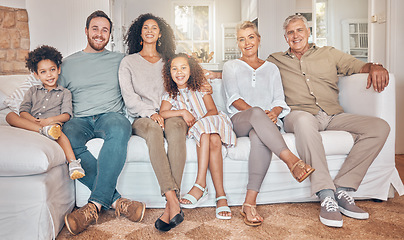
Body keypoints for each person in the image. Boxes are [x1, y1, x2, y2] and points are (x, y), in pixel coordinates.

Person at [267, 14, 390, 228]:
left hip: (332, 114)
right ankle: (325, 194)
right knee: (305, 121)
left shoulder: (329, 53)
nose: (295, 36)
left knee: (379, 127)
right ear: (285, 38)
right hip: (298, 114)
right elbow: (252, 72)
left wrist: (375, 66)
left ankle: (343, 188)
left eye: (300, 30)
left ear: (309, 33)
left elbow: (358, 66)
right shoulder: (275, 60)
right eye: (290, 32)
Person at [118, 13, 214, 232]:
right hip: (142, 117)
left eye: (154, 28)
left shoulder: (167, 62)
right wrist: (150, 113)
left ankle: (170, 209)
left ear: (160, 34)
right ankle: (173, 200)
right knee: (153, 131)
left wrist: (208, 81)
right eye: (146, 28)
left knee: (179, 127)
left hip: (170, 114)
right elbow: (129, 98)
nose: (150, 30)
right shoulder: (128, 62)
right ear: (139, 34)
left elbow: (189, 75)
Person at [59, 10, 146, 236]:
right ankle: (118, 202)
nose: (99, 34)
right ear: (86, 31)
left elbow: (149, 71)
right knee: (68, 136)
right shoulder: (67, 64)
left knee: (121, 127)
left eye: (104, 30)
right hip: (79, 119)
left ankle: (94, 206)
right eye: (95, 29)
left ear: (110, 35)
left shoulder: (121, 60)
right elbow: (55, 93)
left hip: (110, 115)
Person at [222, 21, 315, 227]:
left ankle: (249, 203)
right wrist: (261, 114)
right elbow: (234, 98)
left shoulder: (272, 68)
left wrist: (274, 112)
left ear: (258, 39)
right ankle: (291, 160)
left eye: (251, 37)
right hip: (240, 120)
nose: (247, 43)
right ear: (238, 44)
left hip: (265, 124)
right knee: (255, 113)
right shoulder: (231, 66)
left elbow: (279, 99)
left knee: (259, 137)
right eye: (241, 39)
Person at [160, 53, 236, 222]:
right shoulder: (170, 94)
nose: (179, 72)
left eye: (183, 67)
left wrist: (199, 123)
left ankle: (200, 184)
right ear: (169, 73)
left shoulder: (201, 87)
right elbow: (162, 113)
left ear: (191, 70)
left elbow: (212, 111)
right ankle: (221, 196)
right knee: (213, 139)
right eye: (174, 69)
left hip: (214, 122)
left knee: (206, 129)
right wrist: (182, 112)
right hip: (207, 134)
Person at [6, 45, 85, 180]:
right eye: (43, 72)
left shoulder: (65, 93)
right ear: (36, 75)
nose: (49, 75)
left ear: (58, 70)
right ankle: (42, 130)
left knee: (60, 135)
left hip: (53, 125)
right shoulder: (32, 91)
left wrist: (49, 121)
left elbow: (66, 115)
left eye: (52, 70)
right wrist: (35, 121)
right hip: (33, 123)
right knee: (9, 116)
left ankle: (73, 164)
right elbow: (23, 111)